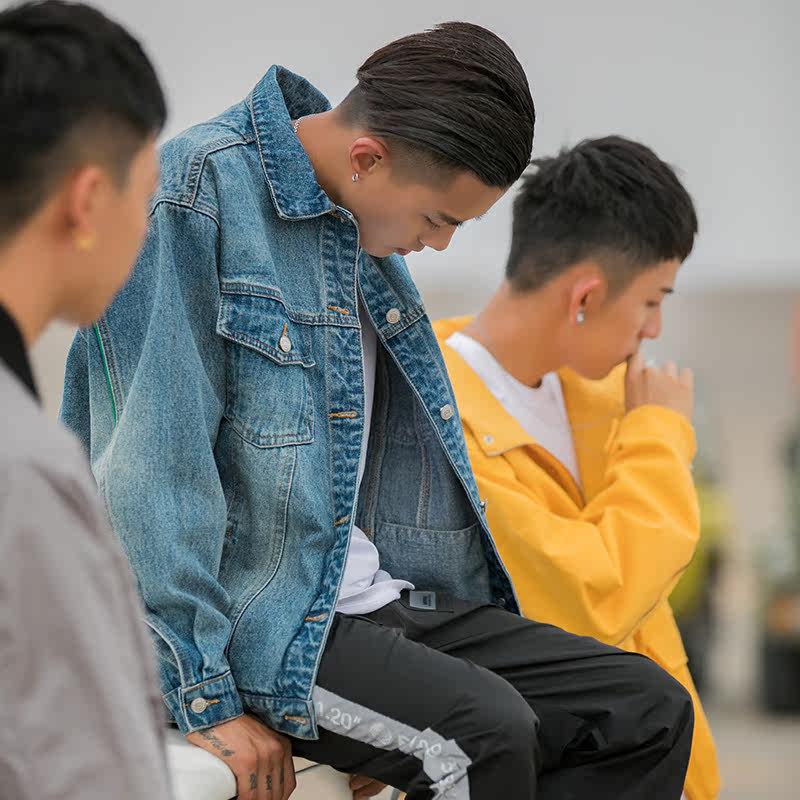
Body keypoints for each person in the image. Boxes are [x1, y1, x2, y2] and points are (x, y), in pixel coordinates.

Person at [61, 25, 694, 800]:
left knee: (645, 710)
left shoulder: (362, 239)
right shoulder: (196, 195)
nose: (437, 245)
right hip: (266, 625)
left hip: (377, 602)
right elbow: (148, 470)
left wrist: (410, 691)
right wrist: (202, 695)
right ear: (367, 158)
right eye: (438, 220)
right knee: (485, 735)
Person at [433, 136, 721, 800]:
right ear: (585, 295)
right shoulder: (441, 418)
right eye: (653, 299)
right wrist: (659, 436)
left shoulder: (609, 395)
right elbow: (594, 598)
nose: (653, 329)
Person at [0, 1, 172, 798]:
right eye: (147, 195)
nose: (147, 229)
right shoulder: (23, 468)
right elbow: (91, 771)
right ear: (87, 198)